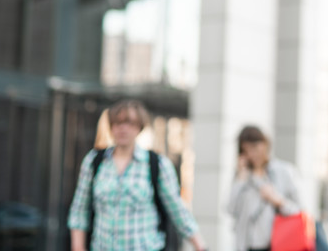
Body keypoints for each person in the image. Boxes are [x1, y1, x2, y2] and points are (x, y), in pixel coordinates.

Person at [67, 100, 207, 251]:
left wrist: (201, 246)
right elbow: (79, 211)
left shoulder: (156, 164)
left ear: (139, 127)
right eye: (118, 123)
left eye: (130, 124)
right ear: (111, 126)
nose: (123, 129)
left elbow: (178, 211)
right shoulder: (94, 161)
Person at [226, 125, 303, 251]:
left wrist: (278, 201)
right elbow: (229, 209)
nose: (251, 154)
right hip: (246, 246)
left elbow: (300, 211)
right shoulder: (242, 177)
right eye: (246, 150)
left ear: (265, 145)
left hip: (276, 245)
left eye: (255, 147)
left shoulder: (282, 172)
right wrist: (240, 179)